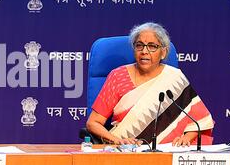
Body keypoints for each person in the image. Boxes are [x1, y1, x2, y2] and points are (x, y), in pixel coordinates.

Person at [86, 22, 214, 146]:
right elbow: (93, 123)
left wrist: (186, 138)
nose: (144, 51)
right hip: (127, 150)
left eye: (152, 46)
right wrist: (116, 140)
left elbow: (200, 122)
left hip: (169, 153)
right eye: (139, 45)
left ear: (163, 52)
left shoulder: (175, 77)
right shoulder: (118, 77)